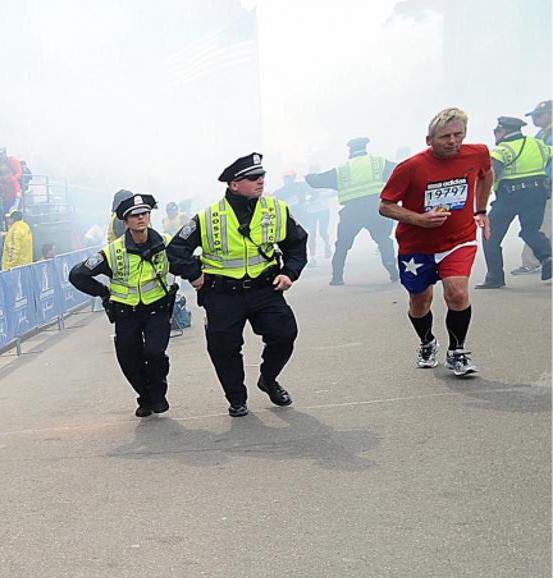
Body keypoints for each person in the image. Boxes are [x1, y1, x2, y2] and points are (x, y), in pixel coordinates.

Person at [167, 153, 308, 417]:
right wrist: (194, 274)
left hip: (265, 288)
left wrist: (290, 273)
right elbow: (175, 250)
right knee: (223, 348)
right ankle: (236, 398)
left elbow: (297, 242)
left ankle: (269, 378)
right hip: (222, 295)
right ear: (234, 184)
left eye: (263, 176)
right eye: (253, 178)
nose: (261, 181)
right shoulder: (208, 216)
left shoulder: (276, 209)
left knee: (284, 334)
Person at [379, 107, 491, 376]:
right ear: (429, 140)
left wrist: (481, 210)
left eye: (458, 135)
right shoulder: (410, 167)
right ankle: (427, 342)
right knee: (420, 301)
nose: (452, 141)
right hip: (417, 246)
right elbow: (385, 206)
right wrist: (419, 219)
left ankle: (457, 351)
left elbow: (486, 175)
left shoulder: (478, 153)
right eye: (445, 137)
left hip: (459, 239)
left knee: (457, 292)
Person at [70, 193, 176, 417]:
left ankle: (158, 394)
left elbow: (185, 260)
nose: (141, 218)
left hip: (157, 309)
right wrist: (104, 293)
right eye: (135, 215)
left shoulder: (165, 243)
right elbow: (78, 275)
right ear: (125, 222)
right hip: (126, 314)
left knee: (155, 352)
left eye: (145, 213)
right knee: (129, 359)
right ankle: (144, 398)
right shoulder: (112, 251)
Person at [306, 137, 399, 286]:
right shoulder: (378, 162)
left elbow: (317, 181)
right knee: (383, 239)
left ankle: (337, 277)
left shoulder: (342, 169)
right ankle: (392, 269)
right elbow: (400, 170)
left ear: (350, 151)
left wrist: (308, 177)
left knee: (342, 244)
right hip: (376, 208)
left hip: (352, 211)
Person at [477, 116, 551, 288]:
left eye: (496, 131)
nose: (495, 135)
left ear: (504, 131)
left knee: (490, 235)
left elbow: (491, 175)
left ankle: (495, 277)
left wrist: (481, 200)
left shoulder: (502, 150)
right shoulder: (539, 144)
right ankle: (547, 257)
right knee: (530, 231)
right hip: (537, 194)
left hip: (510, 196)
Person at [515, 99, 552, 276]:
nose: (534, 119)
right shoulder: (541, 135)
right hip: (540, 185)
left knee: (540, 224)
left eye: (538, 115)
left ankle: (533, 262)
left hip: (547, 184)